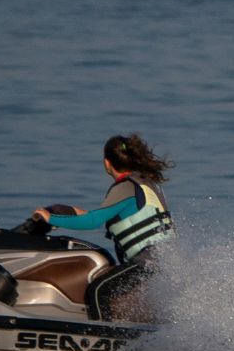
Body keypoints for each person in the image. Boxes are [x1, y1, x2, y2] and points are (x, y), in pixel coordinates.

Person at [31, 134, 175, 319]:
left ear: (107, 163)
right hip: (163, 261)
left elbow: (92, 221)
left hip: (147, 261)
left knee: (98, 290)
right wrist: (71, 212)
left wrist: (50, 219)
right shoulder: (146, 183)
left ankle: (104, 339)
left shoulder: (125, 187)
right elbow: (111, 215)